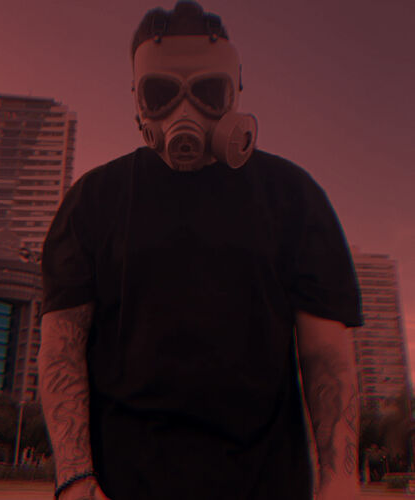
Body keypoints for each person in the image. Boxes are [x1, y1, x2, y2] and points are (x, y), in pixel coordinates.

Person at [38, 2, 363, 499]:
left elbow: (327, 356)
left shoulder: (294, 197)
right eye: (162, 93)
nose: (184, 113)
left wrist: (340, 480)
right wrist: (75, 480)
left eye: (208, 92)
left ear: (235, 91)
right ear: (138, 99)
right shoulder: (91, 202)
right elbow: (62, 350)